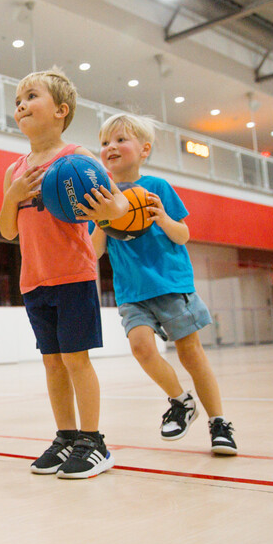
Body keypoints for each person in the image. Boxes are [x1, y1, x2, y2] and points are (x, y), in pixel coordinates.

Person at [0, 69, 129, 478]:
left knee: (76, 360)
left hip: (73, 274)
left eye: (31, 96)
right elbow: (6, 230)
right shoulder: (14, 170)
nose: (20, 104)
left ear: (60, 110)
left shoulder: (78, 158)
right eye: (17, 99)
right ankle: (66, 435)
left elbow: (119, 205)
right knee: (52, 364)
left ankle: (93, 441)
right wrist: (14, 197)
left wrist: (107, 210)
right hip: (33, 279)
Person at [91, 112, 238, 455]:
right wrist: (101, 219)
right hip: (132, 292)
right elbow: (95, 251)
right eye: (104, 142)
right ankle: (180, 401)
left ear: (144, 149)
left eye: (120, 140)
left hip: (171, 284)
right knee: (141, 347)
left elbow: (183, 234)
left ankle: (219, 422)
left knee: (191, 354)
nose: (111, 147)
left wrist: (162, 217)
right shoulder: (102, 196)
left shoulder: (157, 188)